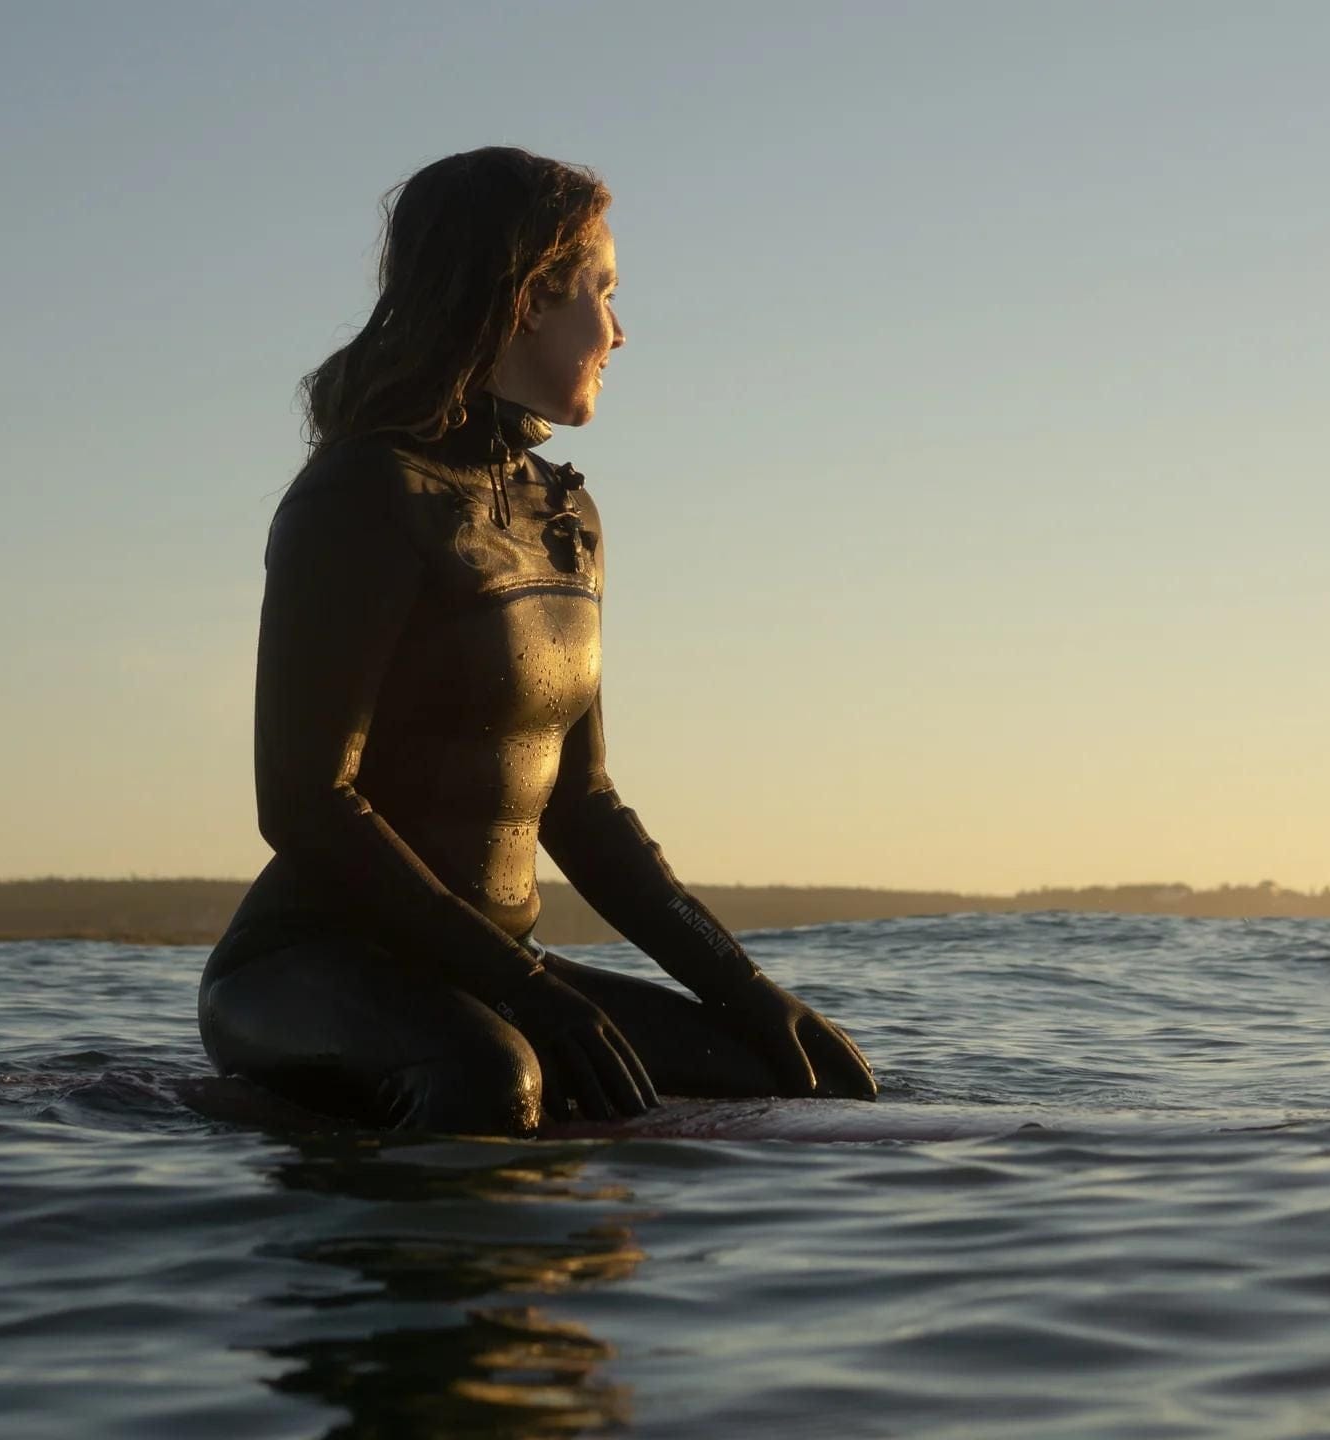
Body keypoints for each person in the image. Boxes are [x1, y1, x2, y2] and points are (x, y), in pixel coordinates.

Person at [198, 148, 876, 1136]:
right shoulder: (364, 495)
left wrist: (743, 988)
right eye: (601, 293)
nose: (620, 330)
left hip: (484, 975)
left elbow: (582, 803)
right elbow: (305, 805)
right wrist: (526, 988)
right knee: (489, 1079)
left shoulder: (563, 515)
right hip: (307, 969)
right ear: (525, 299)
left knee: (773, 1074)